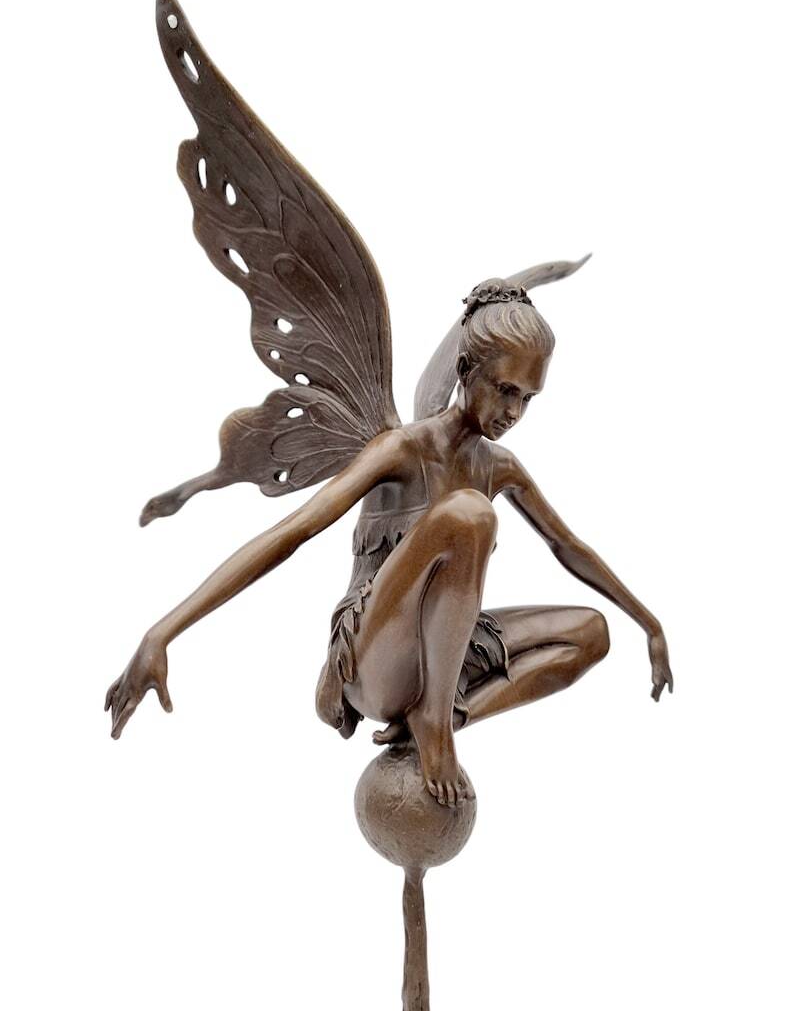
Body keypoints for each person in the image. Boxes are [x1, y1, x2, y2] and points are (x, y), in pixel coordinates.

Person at [106, 280, 673, 808]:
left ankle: (445, 719)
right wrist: (162, 632)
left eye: (528, 397)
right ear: (465, 370)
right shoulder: (401, 450)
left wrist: (648, 624)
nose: (514, 413)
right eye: (505, 390)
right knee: (469, 514)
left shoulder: (499, 467)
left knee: (592, 632)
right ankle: (431, 720)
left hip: (445, 656)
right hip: (372, 659)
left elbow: (567, 545)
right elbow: (291, 532)